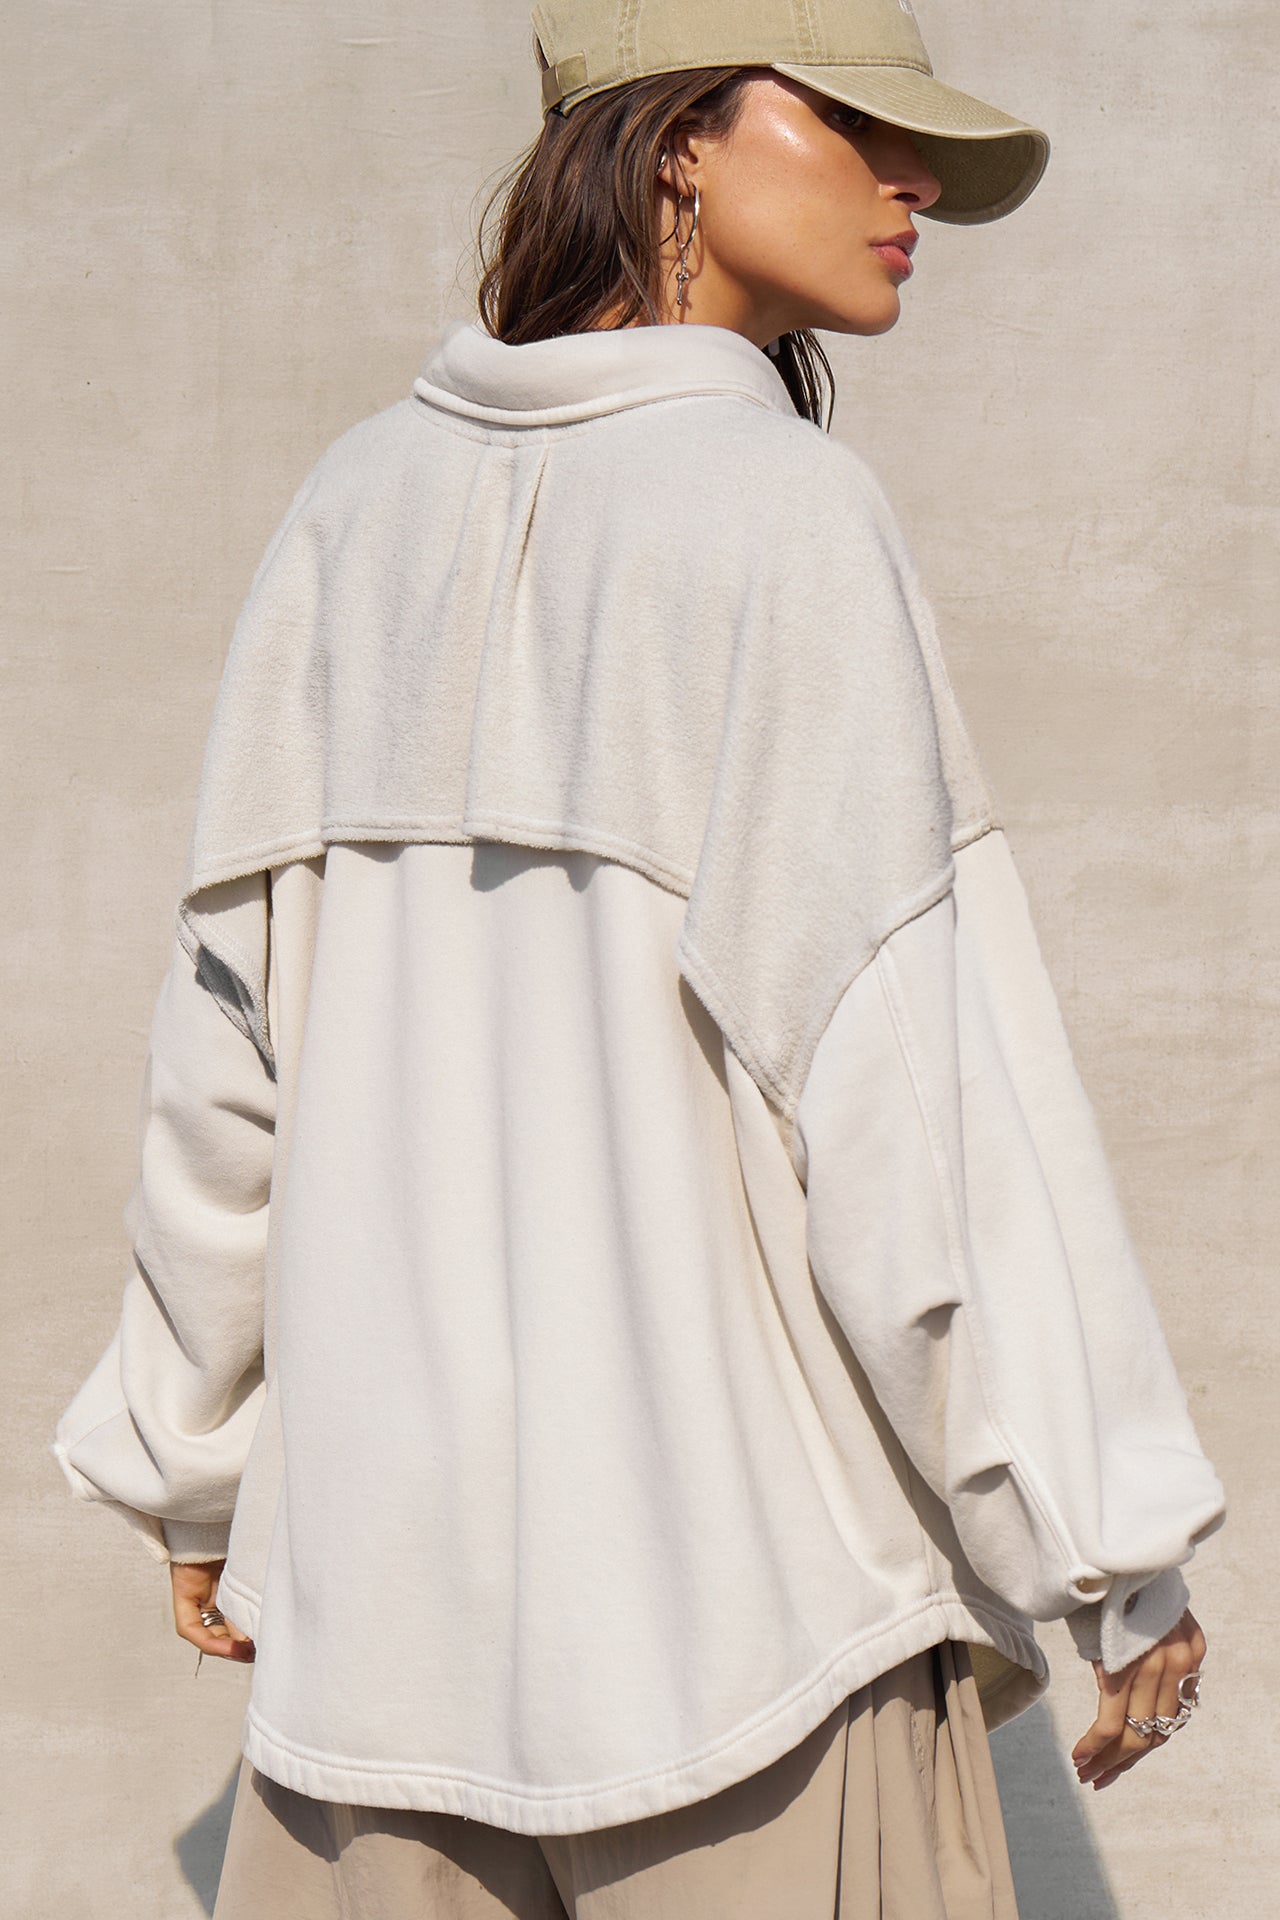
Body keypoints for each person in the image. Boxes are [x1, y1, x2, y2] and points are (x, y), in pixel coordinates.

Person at [52, 2, 1225, 1914]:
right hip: (762, 1658)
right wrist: (1109, 1548)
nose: (914, 184)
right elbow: (918, 1097)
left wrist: (190, 1456)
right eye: (854, 122)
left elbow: (225, 1069)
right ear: (674, 137)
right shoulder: (788, 517)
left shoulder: (349, 510)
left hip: (376, 1669)